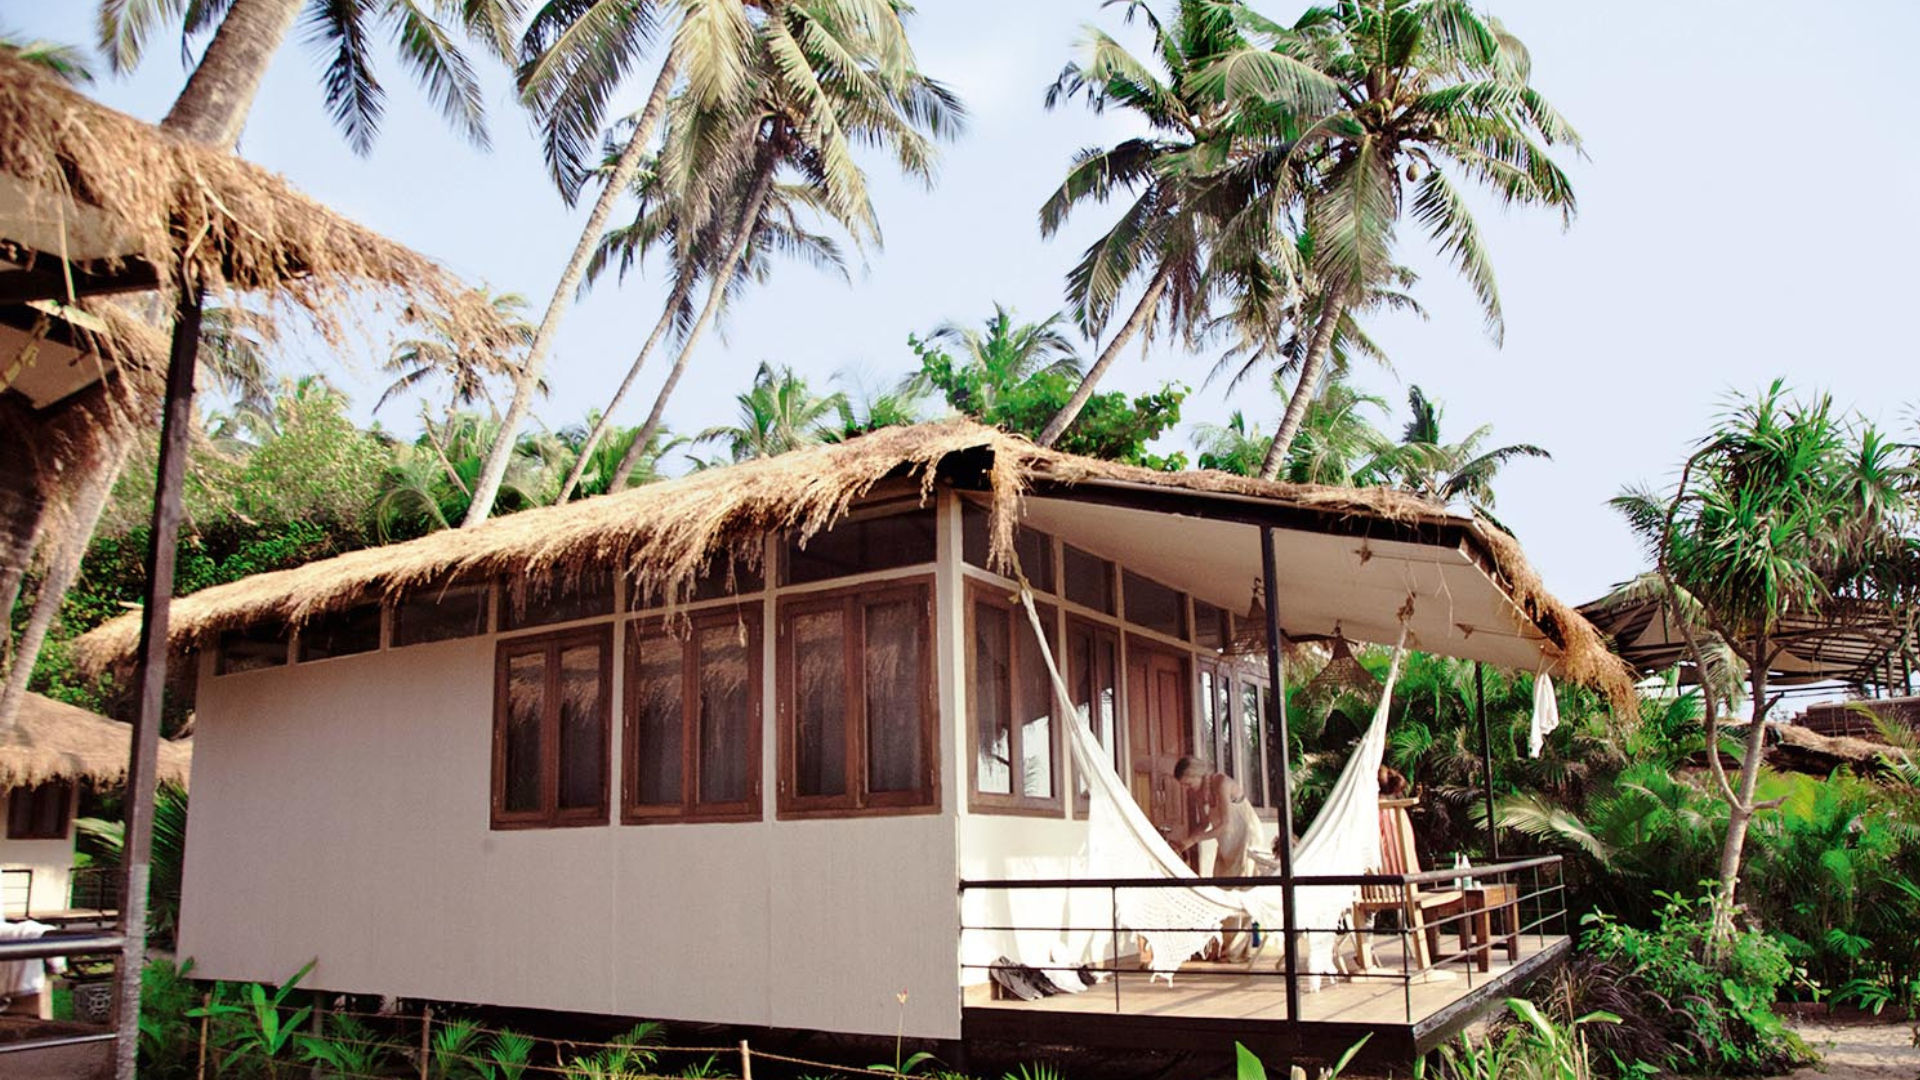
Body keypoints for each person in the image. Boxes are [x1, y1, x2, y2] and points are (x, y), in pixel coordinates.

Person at [1173, 755, 1267, 961]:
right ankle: (1226, 946)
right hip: (1226, 841)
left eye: (1187, 783)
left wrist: (1193, 840)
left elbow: (1225, 823)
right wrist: (1185, 840)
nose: (1187, 789)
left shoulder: (1221, 783)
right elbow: (1204, 823)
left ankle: (1239, 951)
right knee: (1222, 888)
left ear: (1196, 775)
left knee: (1241, 889)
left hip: (1245, 838)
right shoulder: (1198, 793)